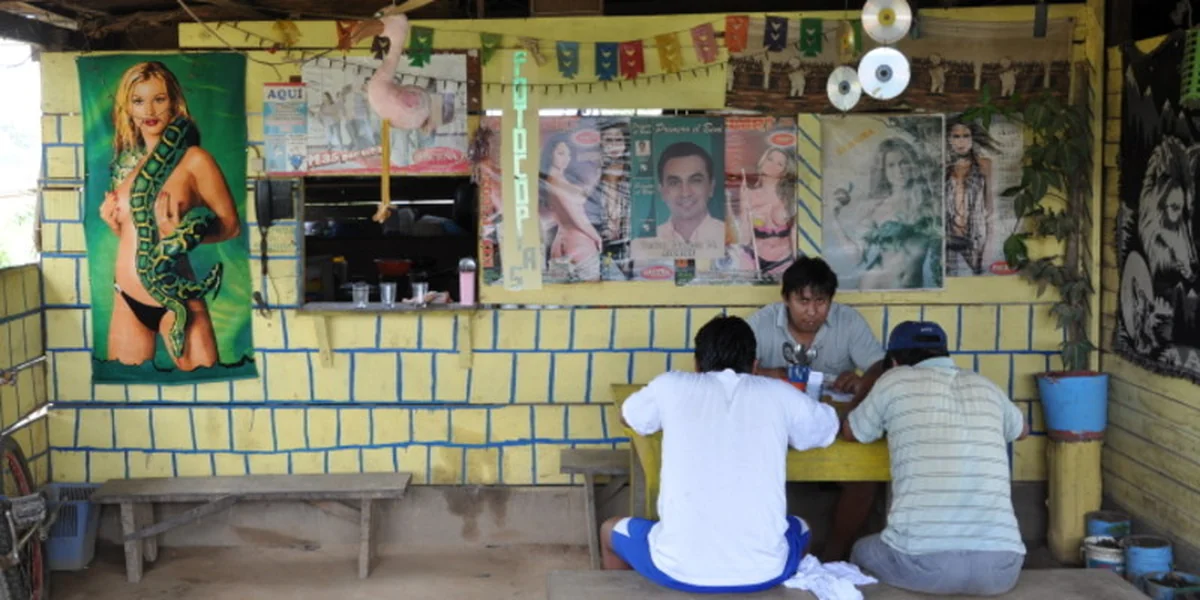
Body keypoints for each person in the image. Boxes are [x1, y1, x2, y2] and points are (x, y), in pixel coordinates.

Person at [600, 315, 840, 593]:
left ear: (696, 364)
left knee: (609, 530)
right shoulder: (780, 393)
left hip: (676, 569)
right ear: (755, 365)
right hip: (766, 571)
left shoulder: (671, 386)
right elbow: (827, 427)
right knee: (802, 526)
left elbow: (628, 416)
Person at [843, 320, 1028, 596]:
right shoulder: (985, 385)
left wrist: (868, 386)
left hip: (926, 566)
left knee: (861, 551)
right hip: (1002, 568)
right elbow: (1022, 431)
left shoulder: (894, 380)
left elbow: (851, 431)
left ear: (894, 362)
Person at [99, 60, 241, 371]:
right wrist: (113, 224)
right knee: (126, 391)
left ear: (174, 103)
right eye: (138, 101)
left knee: (206, 387)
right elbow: (133, 237)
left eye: (159, 99)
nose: (149, 110)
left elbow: (231, 227)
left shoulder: (195, 160)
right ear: (128, 109)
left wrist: (182, 232)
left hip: (178, 297)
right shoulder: (126, 168)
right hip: (127, 298)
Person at [745, 256, 887, 563]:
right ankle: (762, 549)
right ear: (786, 299)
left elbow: (880, 367)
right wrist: (773, 374)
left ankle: (834, 554)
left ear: (830, 301)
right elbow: (735, 369)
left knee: (864, 479)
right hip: (776, 428)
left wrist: (862, 383)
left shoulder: (848, 321)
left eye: (820, 302)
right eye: (803, 301)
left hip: (834, 425)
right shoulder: (762, 323)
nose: (812, 312)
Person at [539, 134, 604, 281]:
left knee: (559, 294)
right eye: (561, 153)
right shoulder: (556, 182)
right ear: (550, 154)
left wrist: (596, 176)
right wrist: (596, 237)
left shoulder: (552, 181)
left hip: (559, 246)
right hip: (581, 245)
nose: (566, 158)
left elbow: (580, 195)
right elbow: (577, 217)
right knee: (591, 293)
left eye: (568, 154)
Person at [730, 146, 798, 279]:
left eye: (779, 164)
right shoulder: (749, 194)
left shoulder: (791, 196)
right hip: (753, 259)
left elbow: (795, 235)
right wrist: (744, 205)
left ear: (785, 171)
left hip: (784, 261)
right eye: (770, 159)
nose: (772, 165)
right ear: (762, 162)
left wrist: (797, 264)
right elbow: (745, 239)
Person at [945, 118, 996, 276]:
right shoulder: (944, 167)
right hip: (948, 230)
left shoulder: (984, 164)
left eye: (966, 136)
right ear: (949, 139)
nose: (961, 141)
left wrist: (990, 239)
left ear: (973, 138)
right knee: (949, 277)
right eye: (956, 136)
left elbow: (989, 202)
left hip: (975, 231)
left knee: (978, 273)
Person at [655, 142, 725, 249]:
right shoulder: (645, 242)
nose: (685, 193)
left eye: (695, 181)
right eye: (674, 183)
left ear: (711, 187)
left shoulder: (729, 237)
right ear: (662, 191)